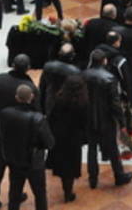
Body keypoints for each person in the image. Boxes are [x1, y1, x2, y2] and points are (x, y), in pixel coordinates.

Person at [0, 54, 38, 208]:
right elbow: (36, 111)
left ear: (13, 65)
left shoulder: (0, 79)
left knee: (0, 160)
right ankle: (16, 195)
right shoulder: (30, 87)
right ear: (28, 68)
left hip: (0, 128)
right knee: (16, 165)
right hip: (20, 132)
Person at [0, 84, 53, 210]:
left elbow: (0, 133)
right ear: (31, 97)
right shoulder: (38, 119)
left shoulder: (5, 113)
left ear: (16, 97)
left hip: (14, 159)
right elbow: (49, 143)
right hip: (34, 163)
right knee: (40, 194)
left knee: (14, 194)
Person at [82, 49, 132, 188]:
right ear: (104, 61)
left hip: (89, 118)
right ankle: (119, 175)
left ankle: (93, 179)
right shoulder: (110, 78)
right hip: (106, 119)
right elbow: (115, 104)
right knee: (112, 148)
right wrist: (122, 122)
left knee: (92, 148)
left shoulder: (83, 75)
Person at [46, 74, 88, 203]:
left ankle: (66, 189)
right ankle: (68, 192)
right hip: (74, 138)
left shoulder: (59, 99)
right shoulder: (83, 103)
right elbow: (85, 122)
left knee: (62, 163)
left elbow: (51, 117)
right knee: (70, 166)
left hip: (59, 136)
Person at [38, 43, 80, 116]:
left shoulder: (48, 66)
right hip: (66, 107)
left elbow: (42, 88)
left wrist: (41, 108)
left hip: (50, 103)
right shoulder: (75, 71)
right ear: (72, 56)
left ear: (59, 53)